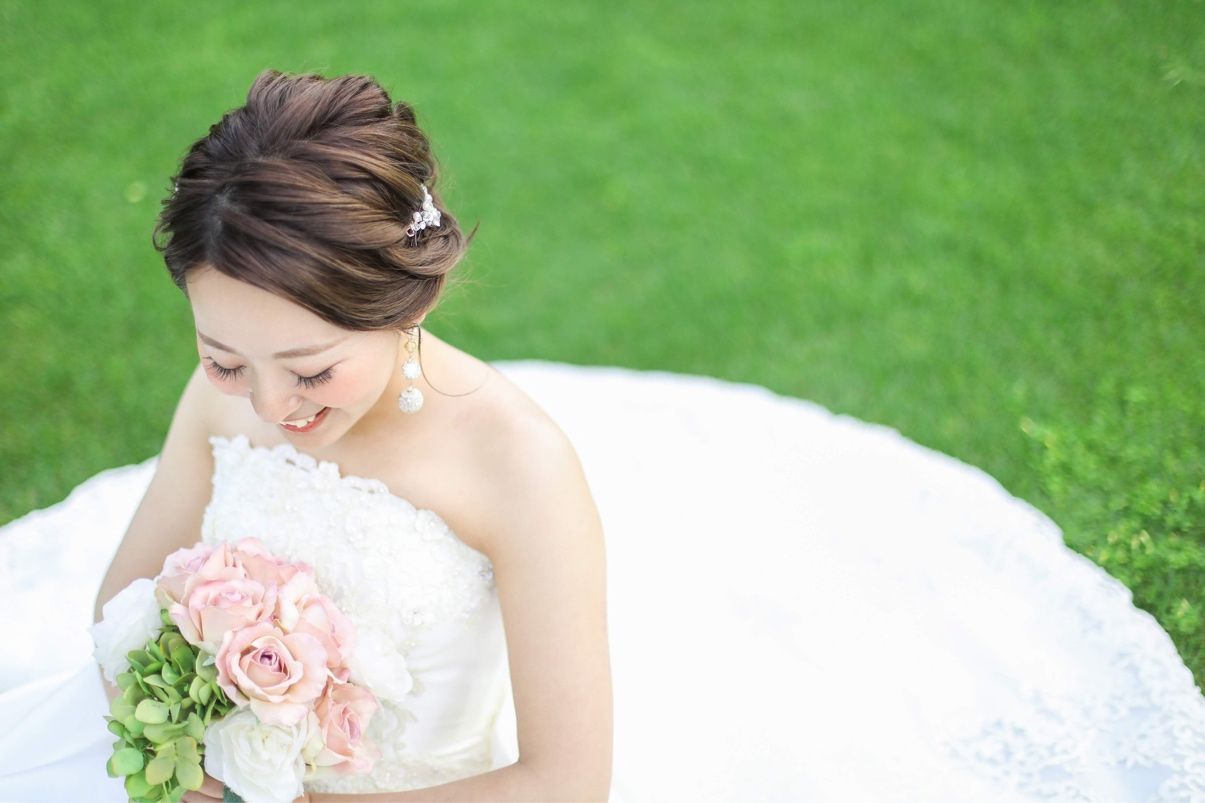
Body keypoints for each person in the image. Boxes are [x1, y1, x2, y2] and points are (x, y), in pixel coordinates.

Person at [0, 69, 1203, 803]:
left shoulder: (514, 463)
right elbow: (123, 603)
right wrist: (184, 739)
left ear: (408, 301)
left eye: (310, 369)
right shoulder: (222, 394)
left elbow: (565, 777)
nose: (266, 405)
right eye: (225, 358)